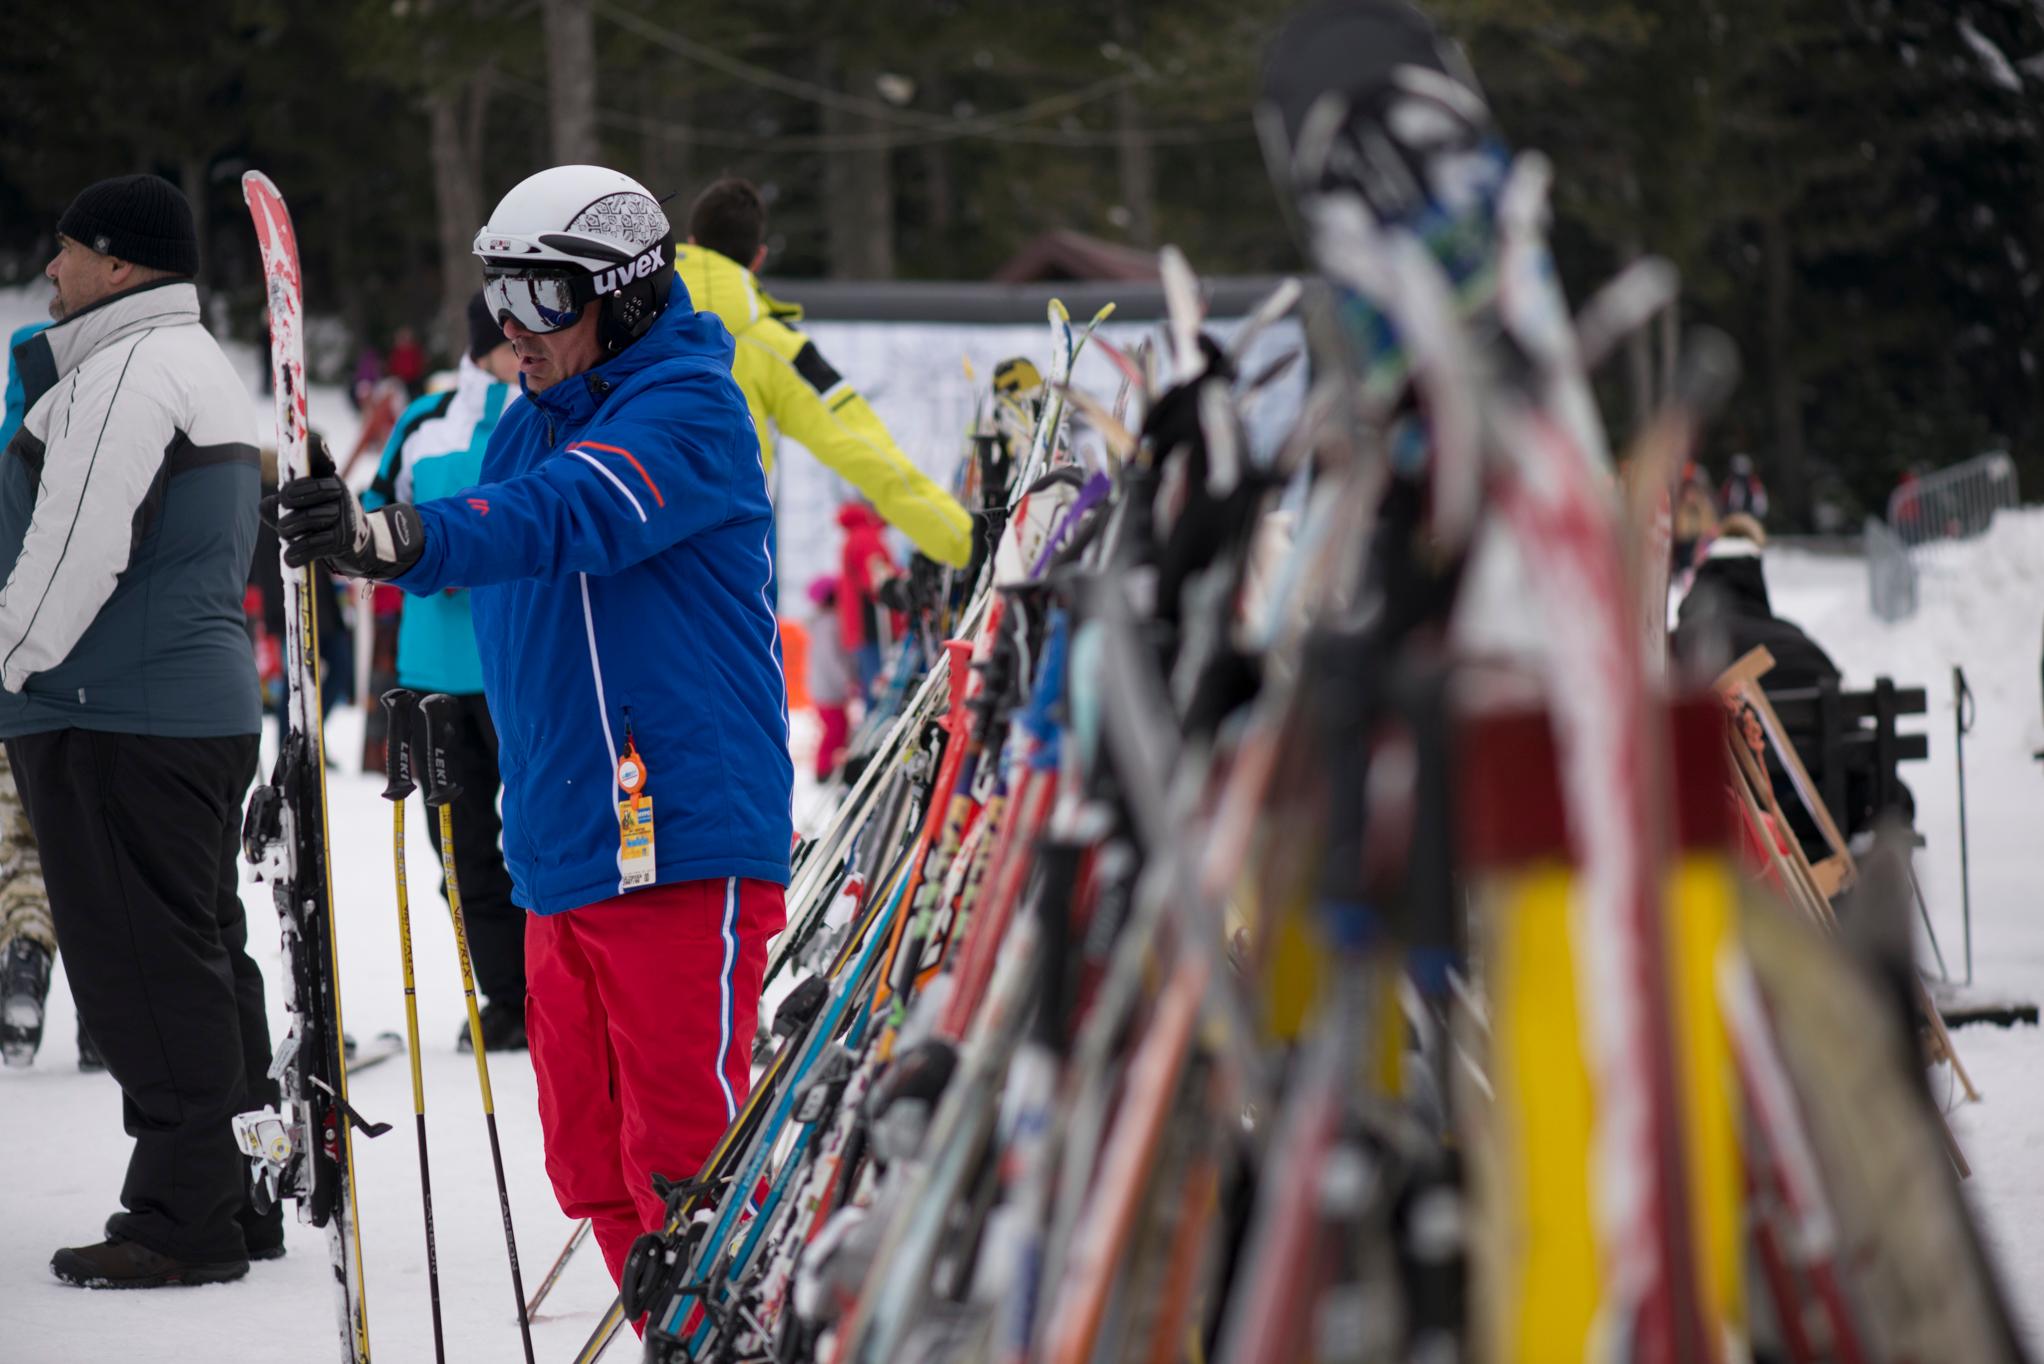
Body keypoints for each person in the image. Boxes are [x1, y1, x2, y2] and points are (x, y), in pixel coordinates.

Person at [277, 165, 791, 1289]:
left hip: (680, 842)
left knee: (684, 1164)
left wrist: (400, 538)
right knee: (592, 1168)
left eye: (545, 298)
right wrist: (349, 513)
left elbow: (572, 513)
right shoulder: (522, 423)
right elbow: (477, 508)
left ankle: (732, 1324)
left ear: (631, 293)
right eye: (500, 294)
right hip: (560, 849)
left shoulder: (694, 409)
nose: (516, 326)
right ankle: (681, 1330)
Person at [0, 173, 279, 1285]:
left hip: (115, 712)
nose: (51, 271)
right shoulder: (189, 362)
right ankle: (233, 1187)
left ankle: (180, 1214)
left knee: (145, 973)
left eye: (66, 252)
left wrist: (7, 660)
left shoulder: (122, 374)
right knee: (201, 958)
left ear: (118, 264)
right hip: (180, 709)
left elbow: (70, 556)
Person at [363, 290, 527, 1051]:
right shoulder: (426, 424)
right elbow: (368, 518)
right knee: (459, 850)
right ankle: (509, 997)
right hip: (434, 674)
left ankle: (556, 991)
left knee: (542, 838)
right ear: (482, 343)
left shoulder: (544, 412)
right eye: (509, 338)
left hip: (519, 668)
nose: (523, 350)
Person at [676, 177, 973, 570]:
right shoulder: (779, 347)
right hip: (728, 550)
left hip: (620, 535)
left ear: (691, 244)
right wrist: (965, 543)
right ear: (759, 258)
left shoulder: (631, 320)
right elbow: (865, 449)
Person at [836, 500, 900, 697]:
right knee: (880, 683)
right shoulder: (867, 538)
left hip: (858, 622)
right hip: (872, 622)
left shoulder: (853, 537)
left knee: (870, 679)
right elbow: (876, 582)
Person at [805, 575, 854, 780]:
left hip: (822, 686)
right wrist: (847, 680)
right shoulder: (830, 623)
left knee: (837, 728)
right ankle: (824, 770)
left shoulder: (820, 623)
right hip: (829, 688)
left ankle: (829, 767)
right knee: (835, 730)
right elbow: (833, 657)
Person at [1719, 452, 1769, 522]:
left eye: (1743, 477)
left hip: (1751, 521)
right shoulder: (1728, 485)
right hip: (1732, 520)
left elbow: (1761, 510)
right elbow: (1722, 506)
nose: (1741, 480)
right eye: (1737, 475)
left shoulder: (1756, 486)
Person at [386, 324, 427, 397]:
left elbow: (419, 362)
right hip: (404, 381)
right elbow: (394, 366)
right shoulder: (397, 352)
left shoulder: (413, 349)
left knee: (419, 395)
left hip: (416, 378)